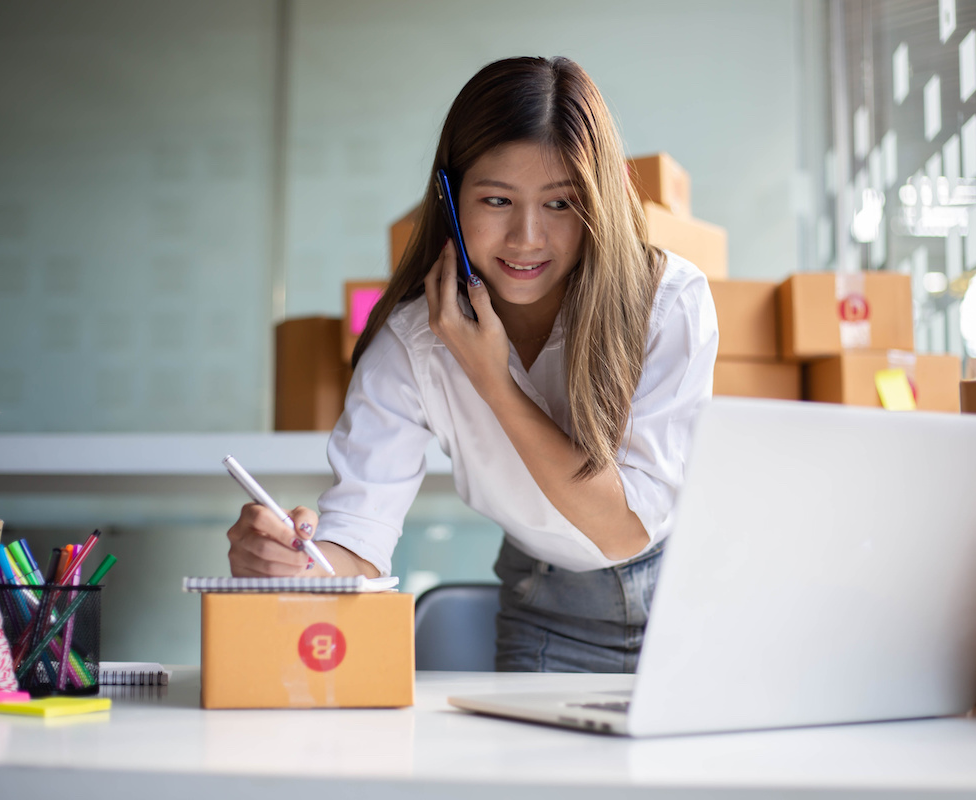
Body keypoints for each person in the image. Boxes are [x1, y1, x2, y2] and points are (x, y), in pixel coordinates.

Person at [227, 55, 718, 672]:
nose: (526, 237)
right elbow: (358, 540)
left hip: (695, 594)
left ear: (601, 202)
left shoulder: (668, 301)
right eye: (496, 199)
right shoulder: (413, 343)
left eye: (561, 204)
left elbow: (625, 530)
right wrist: (292, 562)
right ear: (450, 197)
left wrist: (493, 380)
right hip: (547, 607)